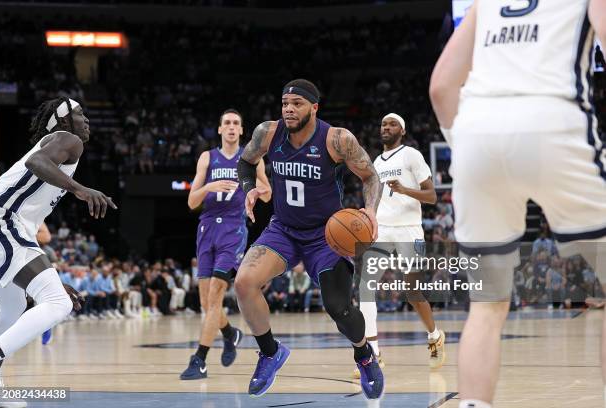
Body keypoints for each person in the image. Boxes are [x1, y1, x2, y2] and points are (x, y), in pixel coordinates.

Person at [430, 2, 606, 407]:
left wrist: (467, 152)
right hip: (553, 121)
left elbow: (441, 86)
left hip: (477, 132)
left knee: (487, 304)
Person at [235, 79, 384, 399]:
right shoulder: (267, 132)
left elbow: (371, 176)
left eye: (297, 104)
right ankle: (270, 352)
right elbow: (246, 162)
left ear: (314, 108)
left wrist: (370, 210)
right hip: (283, 230)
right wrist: (249, 190)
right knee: (244, 282)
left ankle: (364, 354)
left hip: (327, 236)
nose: (289, 109)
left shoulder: (337, 139)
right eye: (285, 103)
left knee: (339, 308)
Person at [0, 97, 116, 406]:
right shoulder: (67, 140)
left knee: (12, 306)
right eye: (78, 113)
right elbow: (37, 164)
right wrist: (81, 189)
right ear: (63, 121)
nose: (86, 119)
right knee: (57, 303)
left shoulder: (56, 147)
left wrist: (53, 278)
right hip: (2, 220)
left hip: (8, 227)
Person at [180, 109, 271, 380]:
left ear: (242, 131)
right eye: (227, 123)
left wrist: (254, 187)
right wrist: (209, 187)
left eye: (236, 124)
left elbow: (268, 195)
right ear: (220, 130)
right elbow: (191, 202)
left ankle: (200, 360)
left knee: (216, 296)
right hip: (206, 228)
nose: (231, 127)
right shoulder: (207, 157)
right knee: (207, 305)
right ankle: (230, 333)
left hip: (233, 229)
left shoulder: (251, 158)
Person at [353, 113, 445, 379]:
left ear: (402, 131)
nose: (386, 127)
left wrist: (405, 190)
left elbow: (432, 195)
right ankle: (373, 355)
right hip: (381, 230)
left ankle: (435, 336)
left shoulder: (411, 155)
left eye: (392, 124)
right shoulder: (375, 163)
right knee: (366, 288)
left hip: (409, 229)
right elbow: (372, 194)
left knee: (413, 294)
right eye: (383, 124)